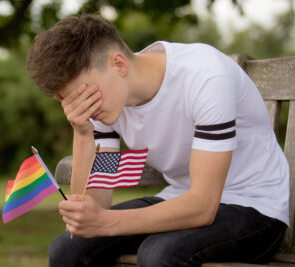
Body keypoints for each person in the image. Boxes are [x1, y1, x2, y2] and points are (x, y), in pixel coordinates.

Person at [26, 14, 289, 267]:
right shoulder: (103, 104)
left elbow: (202, 206)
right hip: (178, 199)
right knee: (66, 249)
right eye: (71, 100)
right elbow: (97, 203)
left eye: (84, 95)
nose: (83, 106)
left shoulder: (206, 78)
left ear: (119, 64)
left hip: (255, 208)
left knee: (158, 254)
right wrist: (82, 133)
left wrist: (105, 222)